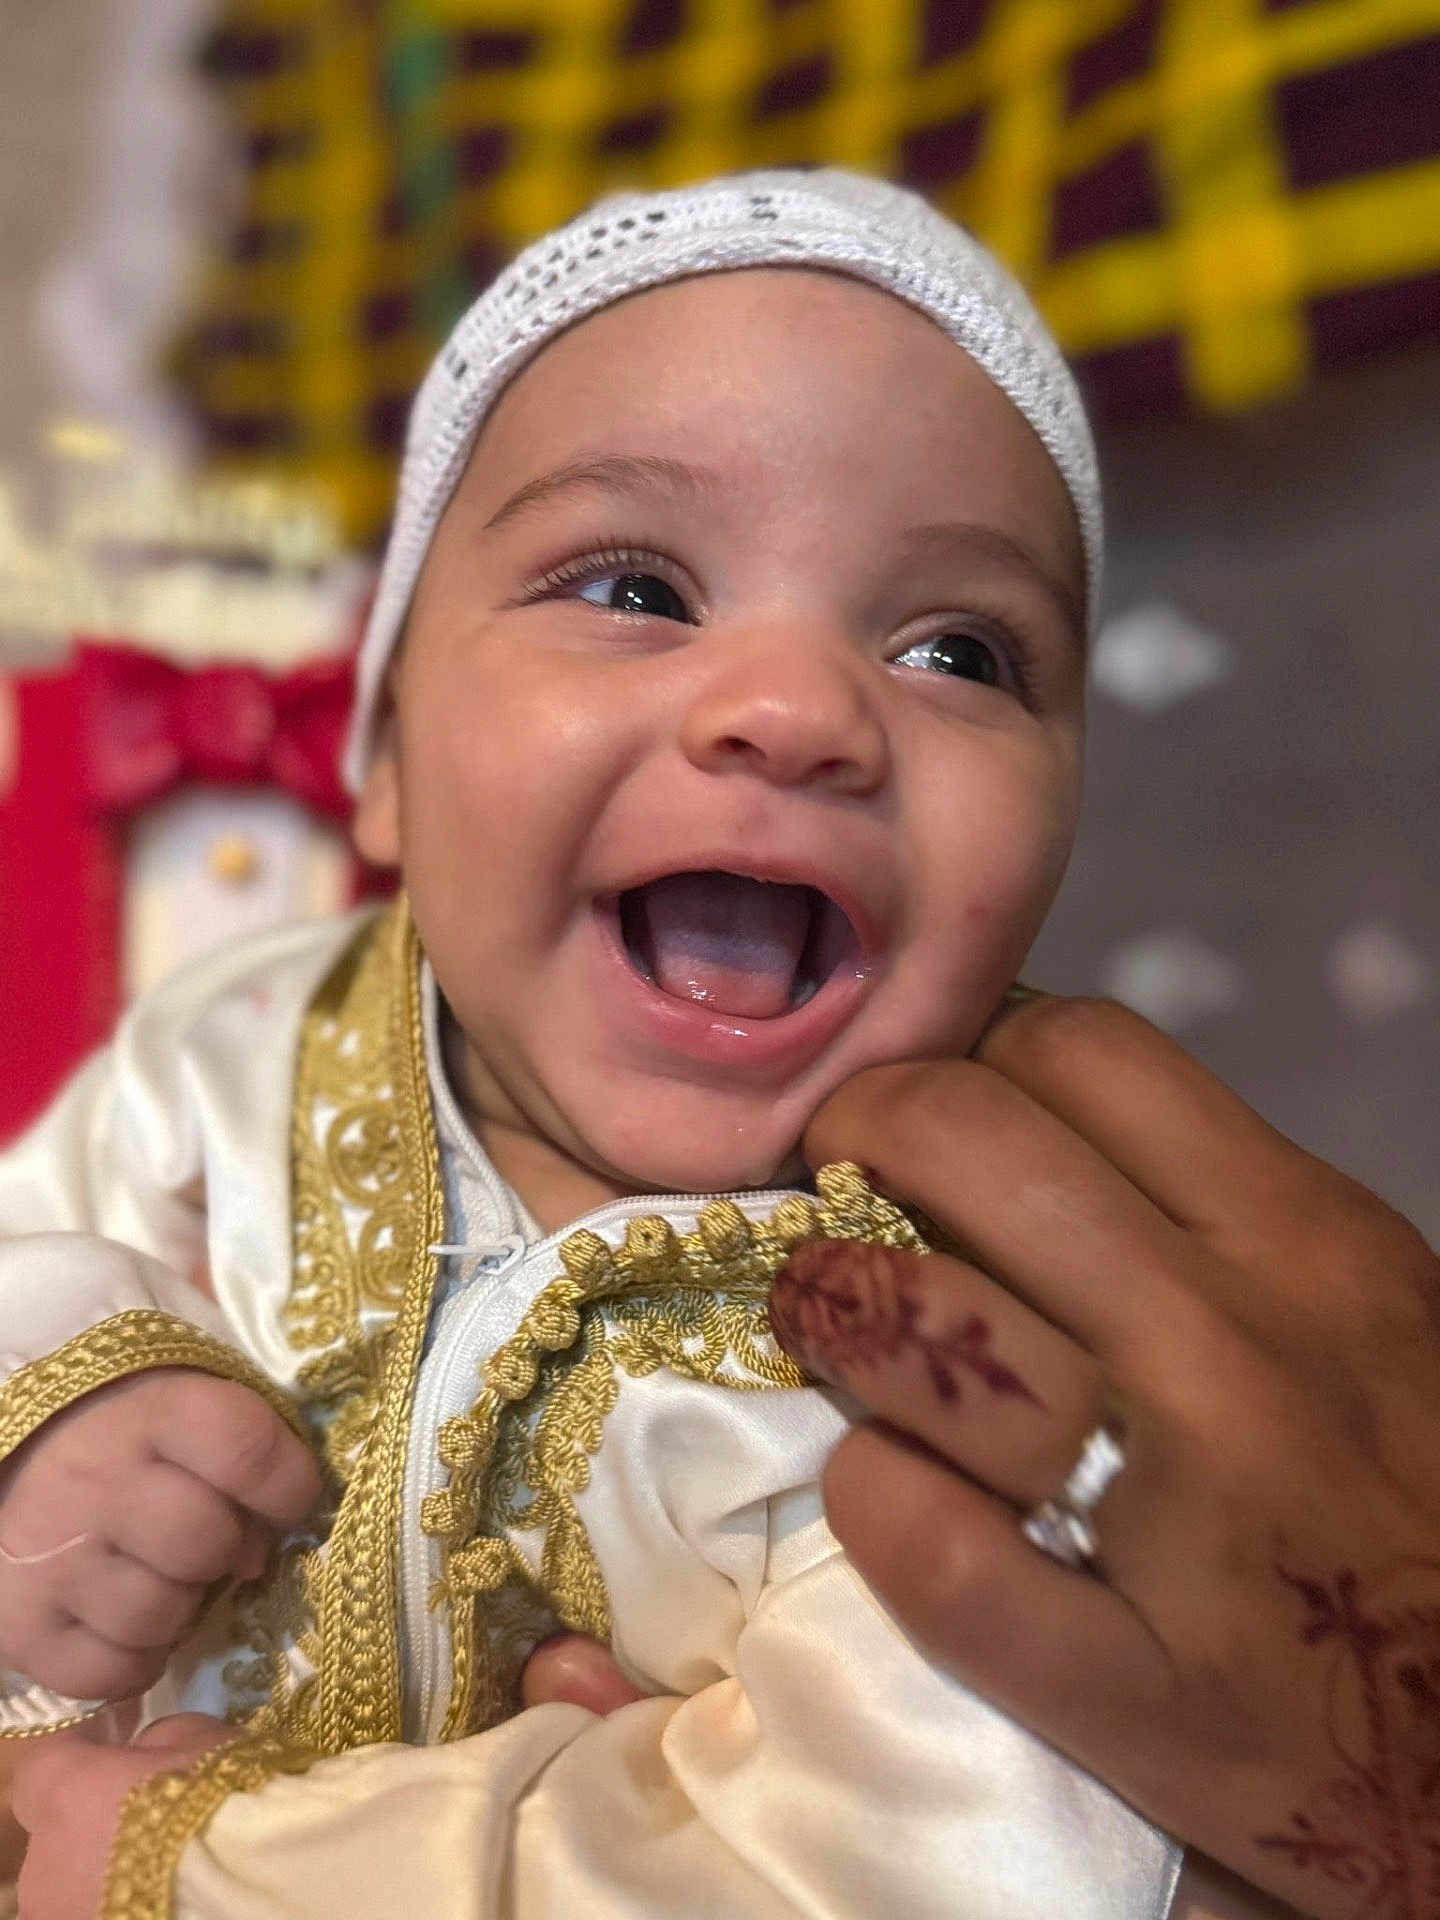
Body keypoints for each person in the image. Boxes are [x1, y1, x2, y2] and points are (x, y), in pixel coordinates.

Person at [0, 168, 1426, 1920]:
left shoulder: (989, 1346)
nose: (798, 708)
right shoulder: (252, 1036)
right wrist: (59, 1390)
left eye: (959, 649)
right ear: (381, 754)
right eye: (636, 589)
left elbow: (886, 1860)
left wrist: (190, 1868)